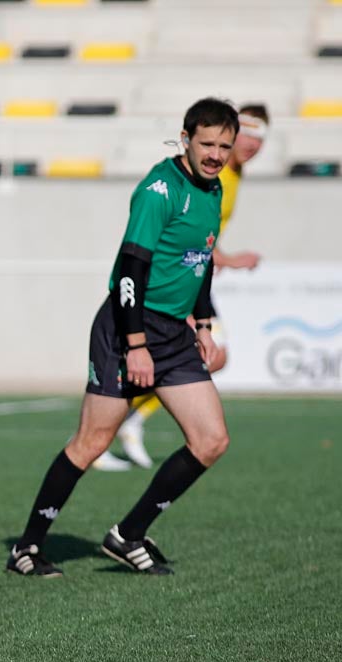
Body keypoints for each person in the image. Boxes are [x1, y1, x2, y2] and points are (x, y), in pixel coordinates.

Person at [6, 98, 237, 577]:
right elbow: (132, 268)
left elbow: (202, 259)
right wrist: (135, 345)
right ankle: (26, 548)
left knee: (211, 440)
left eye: (225, 146)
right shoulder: (159, 190)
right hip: (126, 327)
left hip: (174, 334)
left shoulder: (214, 189)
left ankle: (128, 534)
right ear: (187, 138)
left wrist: (205, 323)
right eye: (208, 143)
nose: (216, 154)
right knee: (91, 443)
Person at [93, 103, 269, 472]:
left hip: (193, 281)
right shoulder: (202, 178)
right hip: (174, 286)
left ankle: (126, 420)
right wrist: (232, 261)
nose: (252, 143)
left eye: (259, 136)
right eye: (248, 133)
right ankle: (119, 422)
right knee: (208, 358)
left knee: (211, 357)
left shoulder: (226, 178)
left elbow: (203, 240)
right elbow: (185, 242)